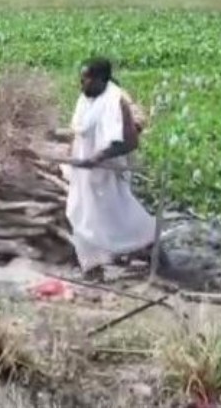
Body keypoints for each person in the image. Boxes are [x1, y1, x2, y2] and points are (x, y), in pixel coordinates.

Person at [65, 57, 156, 281]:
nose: (81, 84)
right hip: (84, 175)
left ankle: (153, 246)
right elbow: (79, 134)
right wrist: (75, 156)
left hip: (108, 173)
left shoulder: (117, 103)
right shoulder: (86, 100)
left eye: (85, 79)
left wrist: (97, 158)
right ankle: (92, 268)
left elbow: (130, 142)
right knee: (80, 215)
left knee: (121, 217)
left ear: (100, 80)